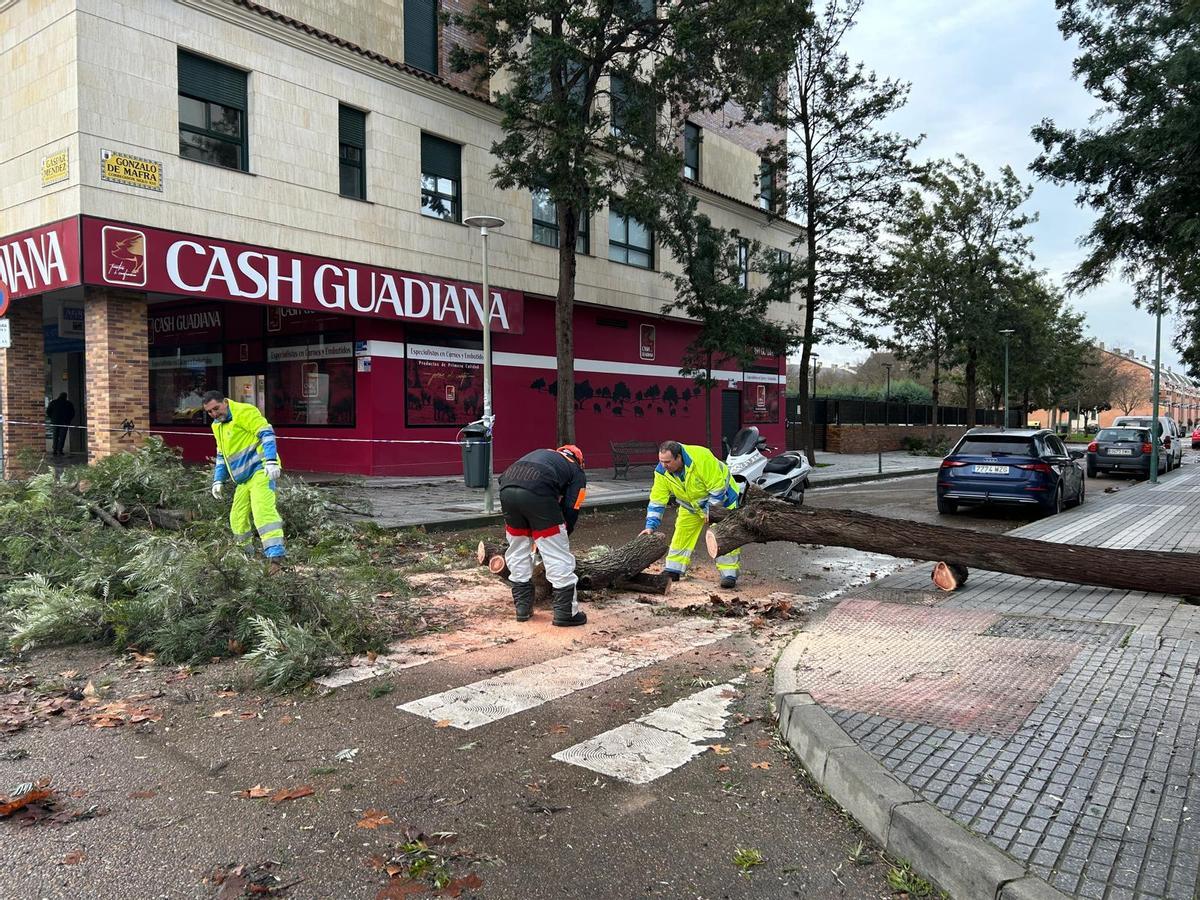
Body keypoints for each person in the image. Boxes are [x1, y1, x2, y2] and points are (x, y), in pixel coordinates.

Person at [498, 444, 588, 627]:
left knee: (517, 549)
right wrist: (561, 534)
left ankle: (523, 609)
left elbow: (503, 479)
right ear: (580, 460)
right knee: (557, 554)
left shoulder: (545, 456)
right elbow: (572, 507)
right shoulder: (576, 470)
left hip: (507, 490)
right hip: (537, 491)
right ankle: (566, 613)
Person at [202, 390, 287, 572]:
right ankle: (246, 557)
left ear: (225, 402)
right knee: (237, 518)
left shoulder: (245, 412)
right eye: (209, 412)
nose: (214, 414)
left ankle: (275, 560)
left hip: (261, 469)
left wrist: (271, 461)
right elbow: (221, 455)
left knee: (262, 511)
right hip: (243, 479)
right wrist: (218, 480)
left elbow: (266, 433)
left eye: (216, 409)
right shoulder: (217, 425)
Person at [639, 440, 742, 589]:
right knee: (682, 533)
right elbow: (657, 501)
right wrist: (650, 526)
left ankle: (729, 574)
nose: (663, 465)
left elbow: (718, 487)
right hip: (691, 506)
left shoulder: (701, 458)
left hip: (723, 502)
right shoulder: (662, 472)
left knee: (725, 536)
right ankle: (673, 569)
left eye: (667, 462)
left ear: (679, 457)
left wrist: (712, 511)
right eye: (661, 461)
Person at [46, 392, 75, 456]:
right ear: (66, 397)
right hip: (64, 422)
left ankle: (54, 450)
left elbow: (48, 412)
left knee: (55, 436)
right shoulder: (68, 403)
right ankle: (60, 450)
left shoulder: (53, 402)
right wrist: (68, 419)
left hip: (55, 422)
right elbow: (72, 413)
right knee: (62, 437)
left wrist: (52, 418)